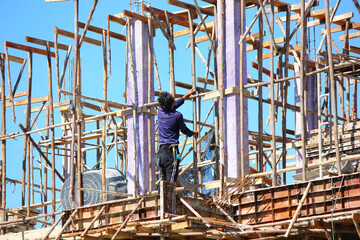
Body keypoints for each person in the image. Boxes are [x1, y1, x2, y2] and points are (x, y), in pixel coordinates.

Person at [157, 89, 199, 183]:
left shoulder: (160, 112)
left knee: (164, 177)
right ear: (172, 103)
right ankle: (169, 197)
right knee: (172, 177)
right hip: (171, 150)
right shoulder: (177, 116)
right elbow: (184, 130)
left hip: (162, 150)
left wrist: (186, 96)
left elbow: (173, 106)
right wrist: (193, 133)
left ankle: (162, 196)